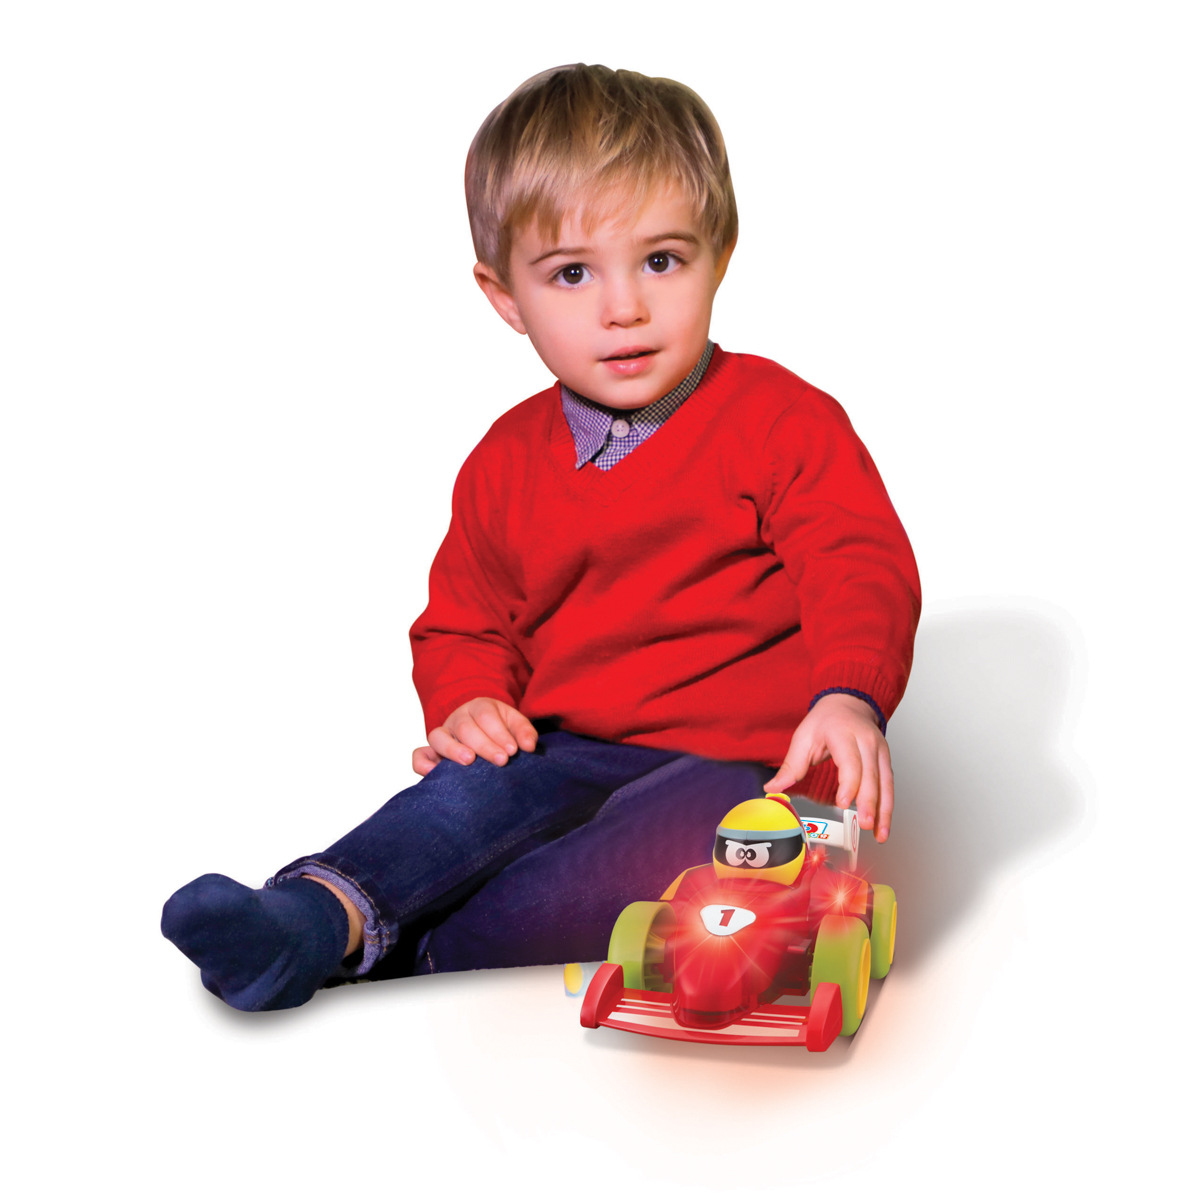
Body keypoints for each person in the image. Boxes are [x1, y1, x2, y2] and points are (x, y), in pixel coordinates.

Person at [161, 63, 921, 1011]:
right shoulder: (506, 458)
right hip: (558, 748)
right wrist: (469, 700)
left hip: (742, 765)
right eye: (571, 273)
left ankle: (421, 952)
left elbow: (857, 562)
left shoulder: (782, 420)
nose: (623, 307)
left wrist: (850, 694)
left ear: (720, 254)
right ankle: (311, 919)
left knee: (656, 863)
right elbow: (465, 620)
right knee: (457, 805)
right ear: (505, 297)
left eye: (661, 261)